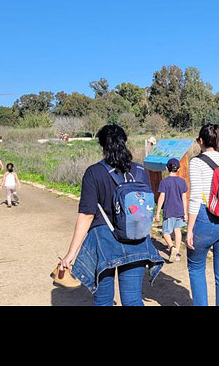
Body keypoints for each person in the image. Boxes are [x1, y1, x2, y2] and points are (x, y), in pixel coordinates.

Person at [59, 124, 164, 306]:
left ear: (102, 145)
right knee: (132, 299)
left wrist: (70, 254)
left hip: (104, 242)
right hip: (136, 240)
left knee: (103, 300)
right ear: (125, 142)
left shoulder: (94, 173)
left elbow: (87, 215)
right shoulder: (140, 171)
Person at [186, 123, 219, 306]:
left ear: (201, 141)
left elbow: (195, 198)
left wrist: (190, 230)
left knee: (196, 268)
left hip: (205, 219)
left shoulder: (196, 162)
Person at [154, 158, 188, 262]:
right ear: (178, 169)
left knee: (165, 232)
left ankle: (172, 247)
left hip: (169, 211)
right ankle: (176, 253)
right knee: (177, 231)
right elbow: (184, 198)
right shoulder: (182, 182)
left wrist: (157, 213)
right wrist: (185, 213)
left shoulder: (164, 182)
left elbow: (161, 198)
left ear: (166, 168)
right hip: (180, 210)